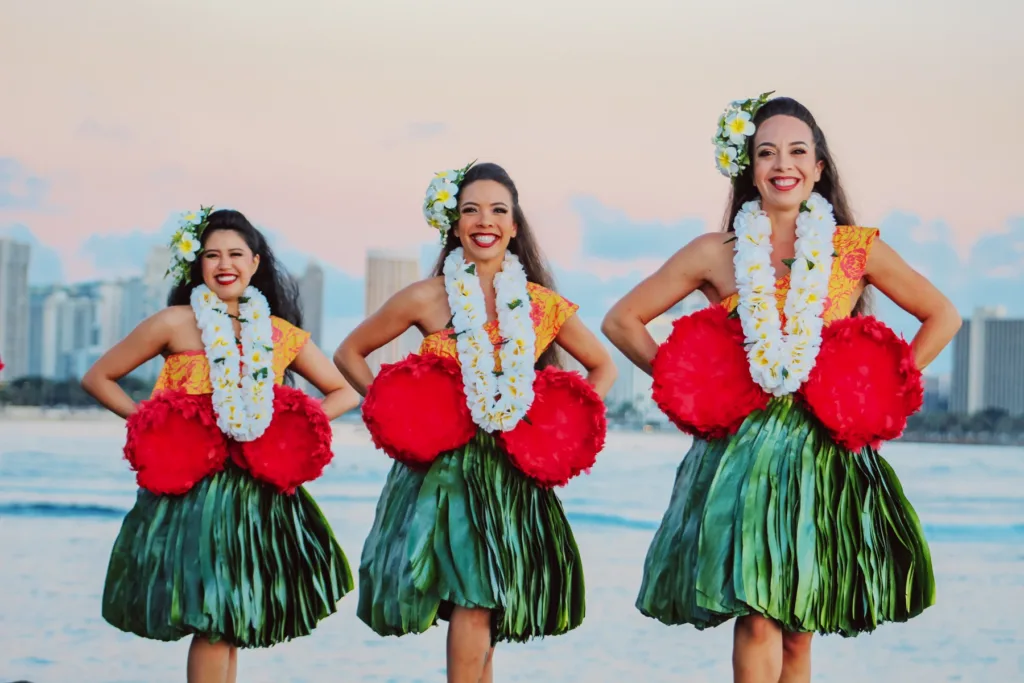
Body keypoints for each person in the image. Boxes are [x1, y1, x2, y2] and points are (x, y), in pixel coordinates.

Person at [602, 94, 961, 683]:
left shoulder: (854, 249)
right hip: (743, 454)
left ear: (819, 167)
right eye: (766, 152)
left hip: (823, 451)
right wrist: (689, 387)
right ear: (750, 168)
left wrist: (883, 391)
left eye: (797, 151)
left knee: (798, 628)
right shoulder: (717, 252)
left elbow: (942, 315)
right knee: (758, 614)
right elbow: (622, 320)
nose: (782, 164)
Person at [335, 161, 616, 683]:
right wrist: (394, 414)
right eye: (471, 210)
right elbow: (350, 352)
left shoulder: (540, 305)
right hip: (445, 473)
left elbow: (603, 365)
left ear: (514, 226)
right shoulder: (427, 296)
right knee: (472, 597)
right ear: (455, 224)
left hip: (512, 473)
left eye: (497, 211)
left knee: (486, 607)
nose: (484, 221)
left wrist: (560, 426)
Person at [81, 208, 360, 683]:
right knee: (213, 619)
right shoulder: (174, 323)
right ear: (199, 265)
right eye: (212, 255)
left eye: (235, 254)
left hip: (255, 495)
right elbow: (98, 377)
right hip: (194, 492)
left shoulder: (278, 334)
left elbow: (345, 390)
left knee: (229, 621)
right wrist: (152, 424)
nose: (223, 264)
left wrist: (287, 425)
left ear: (254, 263)